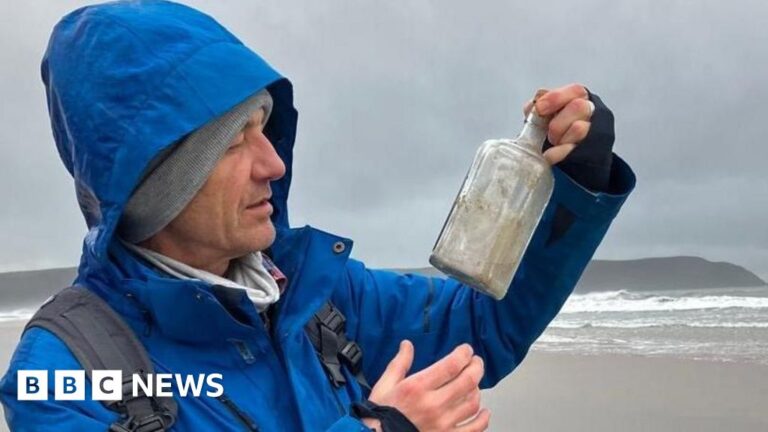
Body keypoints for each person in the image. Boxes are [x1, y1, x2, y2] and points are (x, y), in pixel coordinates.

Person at [0, 1, 635, 431]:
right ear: (151, 179)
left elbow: (484, 324)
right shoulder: (65, 373)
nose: (274, 165)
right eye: (232, 142)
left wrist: (578, 185)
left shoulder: (316, 291)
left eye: (265, 127)